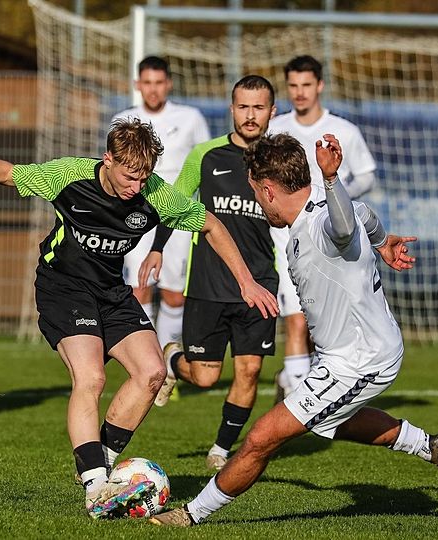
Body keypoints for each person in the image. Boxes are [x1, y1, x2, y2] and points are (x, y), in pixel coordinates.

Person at [0, 118, 278, 518]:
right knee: (91, 378)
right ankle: (95, 487)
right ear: (107, 159)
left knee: (152, 373)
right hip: (63, 288)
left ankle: (97, 458)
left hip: (111, 291)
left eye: (144, 177)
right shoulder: (69, 175)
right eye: (129, 176)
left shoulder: (154, 194)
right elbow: (11, 175)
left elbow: (210, 224)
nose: (136, 186)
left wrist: (245, 282)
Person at [149, 133, 438, 528]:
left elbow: (343, 224)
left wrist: (334, 180)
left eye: (254, 191)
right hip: (344, 354)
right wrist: (383, 241)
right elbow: (363, 215)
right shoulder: (314, 211)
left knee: (261, 438)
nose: (255, 200)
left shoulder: (322, 222)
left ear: (267, 189)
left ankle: (189, 515)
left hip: (361, 360)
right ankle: (430, 447)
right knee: (332, 421)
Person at [149, 75, 279, 472]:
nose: (250, 115)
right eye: (243, 106)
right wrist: (156, 248)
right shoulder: (206, 155)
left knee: (250, 369)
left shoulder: (280, 159)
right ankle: (173, 361)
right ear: (232, 108)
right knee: (205, 378)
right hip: (207, 282)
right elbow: (174, 201)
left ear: (272, 112)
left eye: (259, 107)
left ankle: (222, 449)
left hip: (259, 282)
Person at [267, 55, 378, 401]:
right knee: (297, 318)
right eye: (293, 86)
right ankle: (299, 400)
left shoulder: (344, 130)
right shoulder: (277, 128)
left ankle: (298, 382)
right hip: (286, 237)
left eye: (306, 85)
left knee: (326, 325)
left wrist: (337, 196)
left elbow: (366, 175)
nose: (299, 93)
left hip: (333, 241)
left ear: (320, 86)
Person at [112, 55, 210, 350]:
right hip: (135, 211)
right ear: (137, 85)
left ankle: (167, 367)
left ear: (168, 84)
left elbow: (204, 164)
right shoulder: (122, 120)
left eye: (158, 83)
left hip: (176, 213)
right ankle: (146, 362)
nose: (153, 90)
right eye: (147, 83)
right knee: (139, 288)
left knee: (174, 294)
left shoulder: (191, 118)